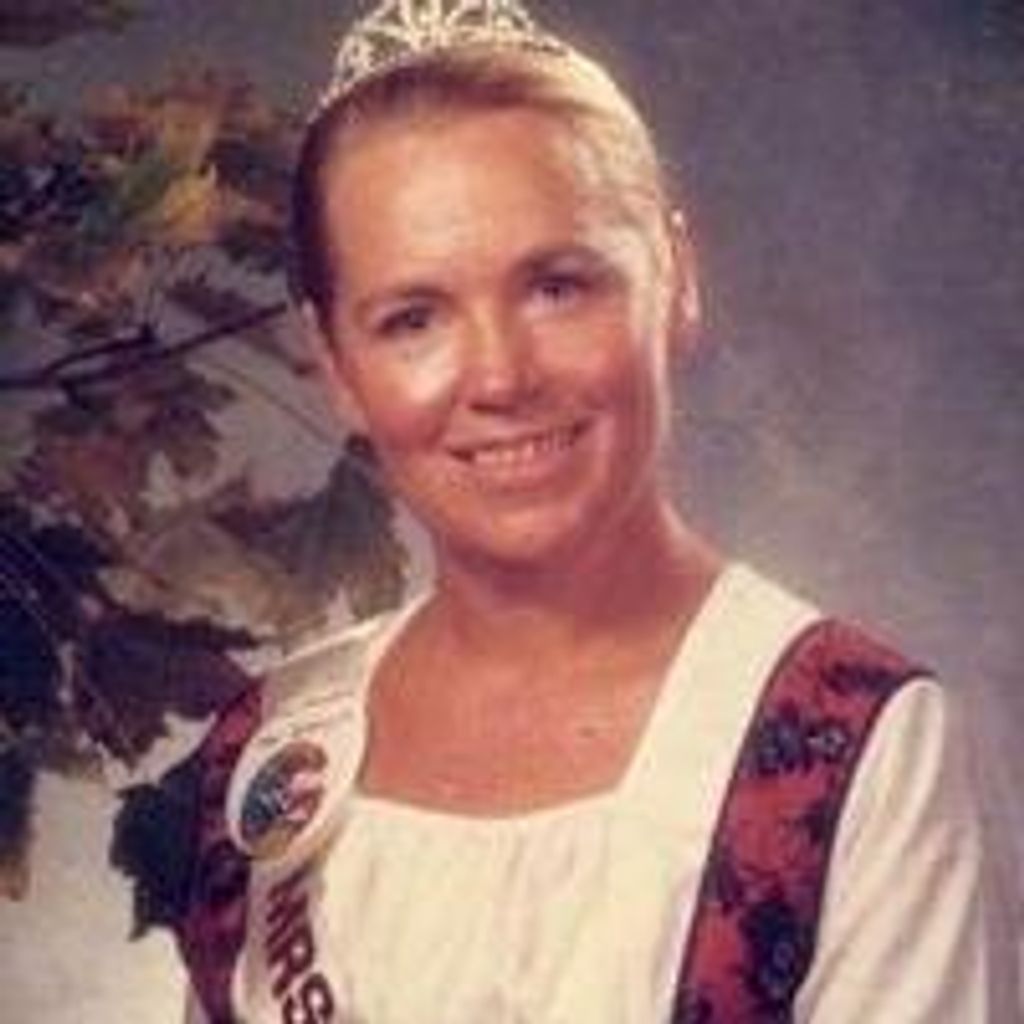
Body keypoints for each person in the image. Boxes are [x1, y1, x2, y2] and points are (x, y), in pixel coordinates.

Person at [176, 1, 1016, 1021]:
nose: (500, 375)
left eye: (558, 287)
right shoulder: (270, 746)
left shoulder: (854, 734)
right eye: (412, 318)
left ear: (676, 279)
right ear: (336, 366)